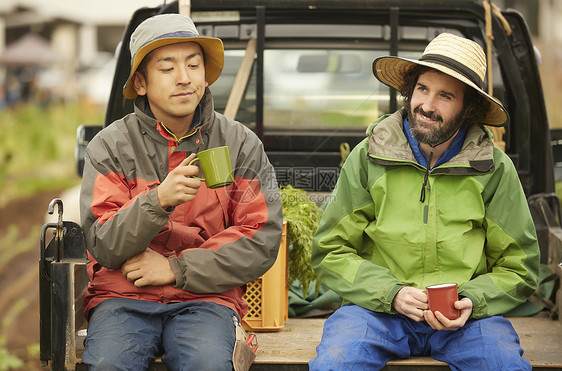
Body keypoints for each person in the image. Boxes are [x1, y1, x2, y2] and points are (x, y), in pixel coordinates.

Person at [309, 32, 539, 370]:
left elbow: (520, 264)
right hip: (377, 312)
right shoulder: (368, 157)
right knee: (336, 363)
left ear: (468, 108)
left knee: (502, 364)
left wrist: (473, 300)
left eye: (445, 95)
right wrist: (391, 293)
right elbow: (330, 249)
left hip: (466, 321)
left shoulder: (493, 167)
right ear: (408, 91)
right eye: (422, 89)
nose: (427, 106)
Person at [79, 13, 283, 370]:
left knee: (208, 364)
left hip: (207, 298)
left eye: (193, 64)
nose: (185, 78)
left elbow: (261, 237)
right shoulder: (110, 147)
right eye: (167, 68)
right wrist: (157, 201)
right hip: (123, 296)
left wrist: (176, 268)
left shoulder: (239, 144)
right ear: (140, 83)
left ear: (206, 74)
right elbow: (102, 243)